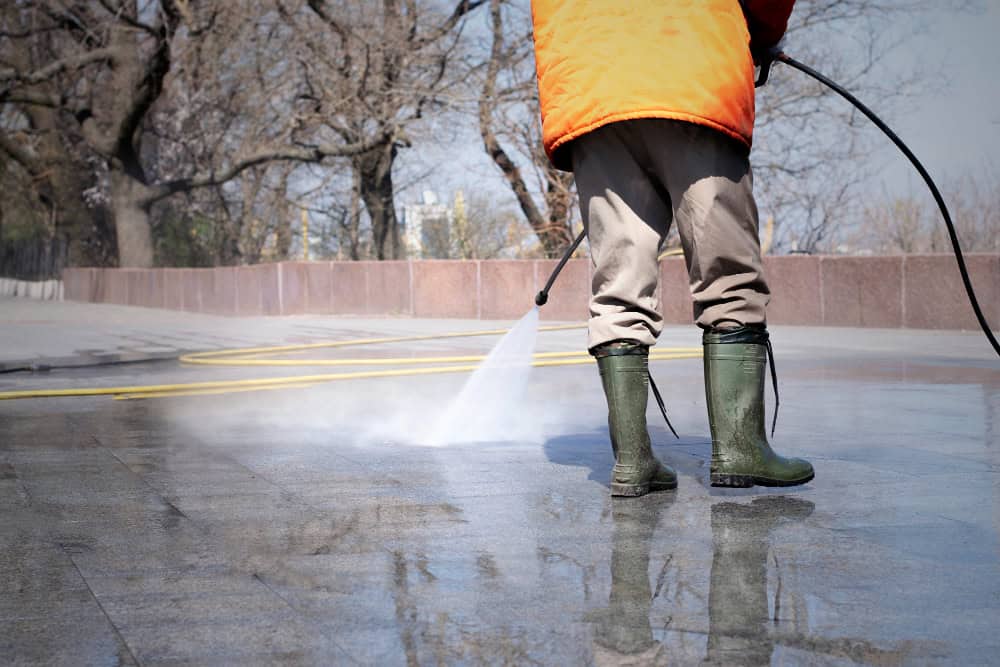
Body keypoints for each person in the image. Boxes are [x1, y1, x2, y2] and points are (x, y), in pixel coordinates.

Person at [531, 0, 814, 496]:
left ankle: (632, 462)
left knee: (618, 286)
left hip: (590, 85)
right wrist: (764, 34)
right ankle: (741, 451)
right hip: (690, 68)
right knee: (728, 274)